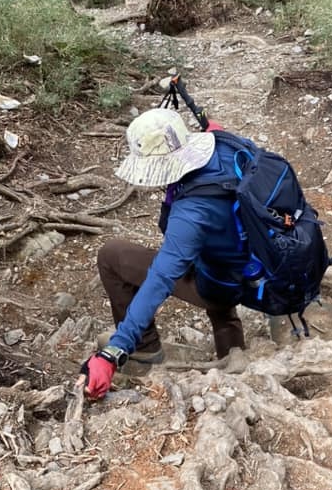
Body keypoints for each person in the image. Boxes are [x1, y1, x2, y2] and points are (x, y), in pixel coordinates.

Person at [80, 106, 256, 400]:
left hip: (221, 283)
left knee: (112, 255)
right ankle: (234, 357)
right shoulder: (230, 148)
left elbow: (160, 279)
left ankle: (144, 350)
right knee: (216, 250)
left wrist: (113, 352)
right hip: (256, 269)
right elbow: (216, 135)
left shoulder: (190, 214)